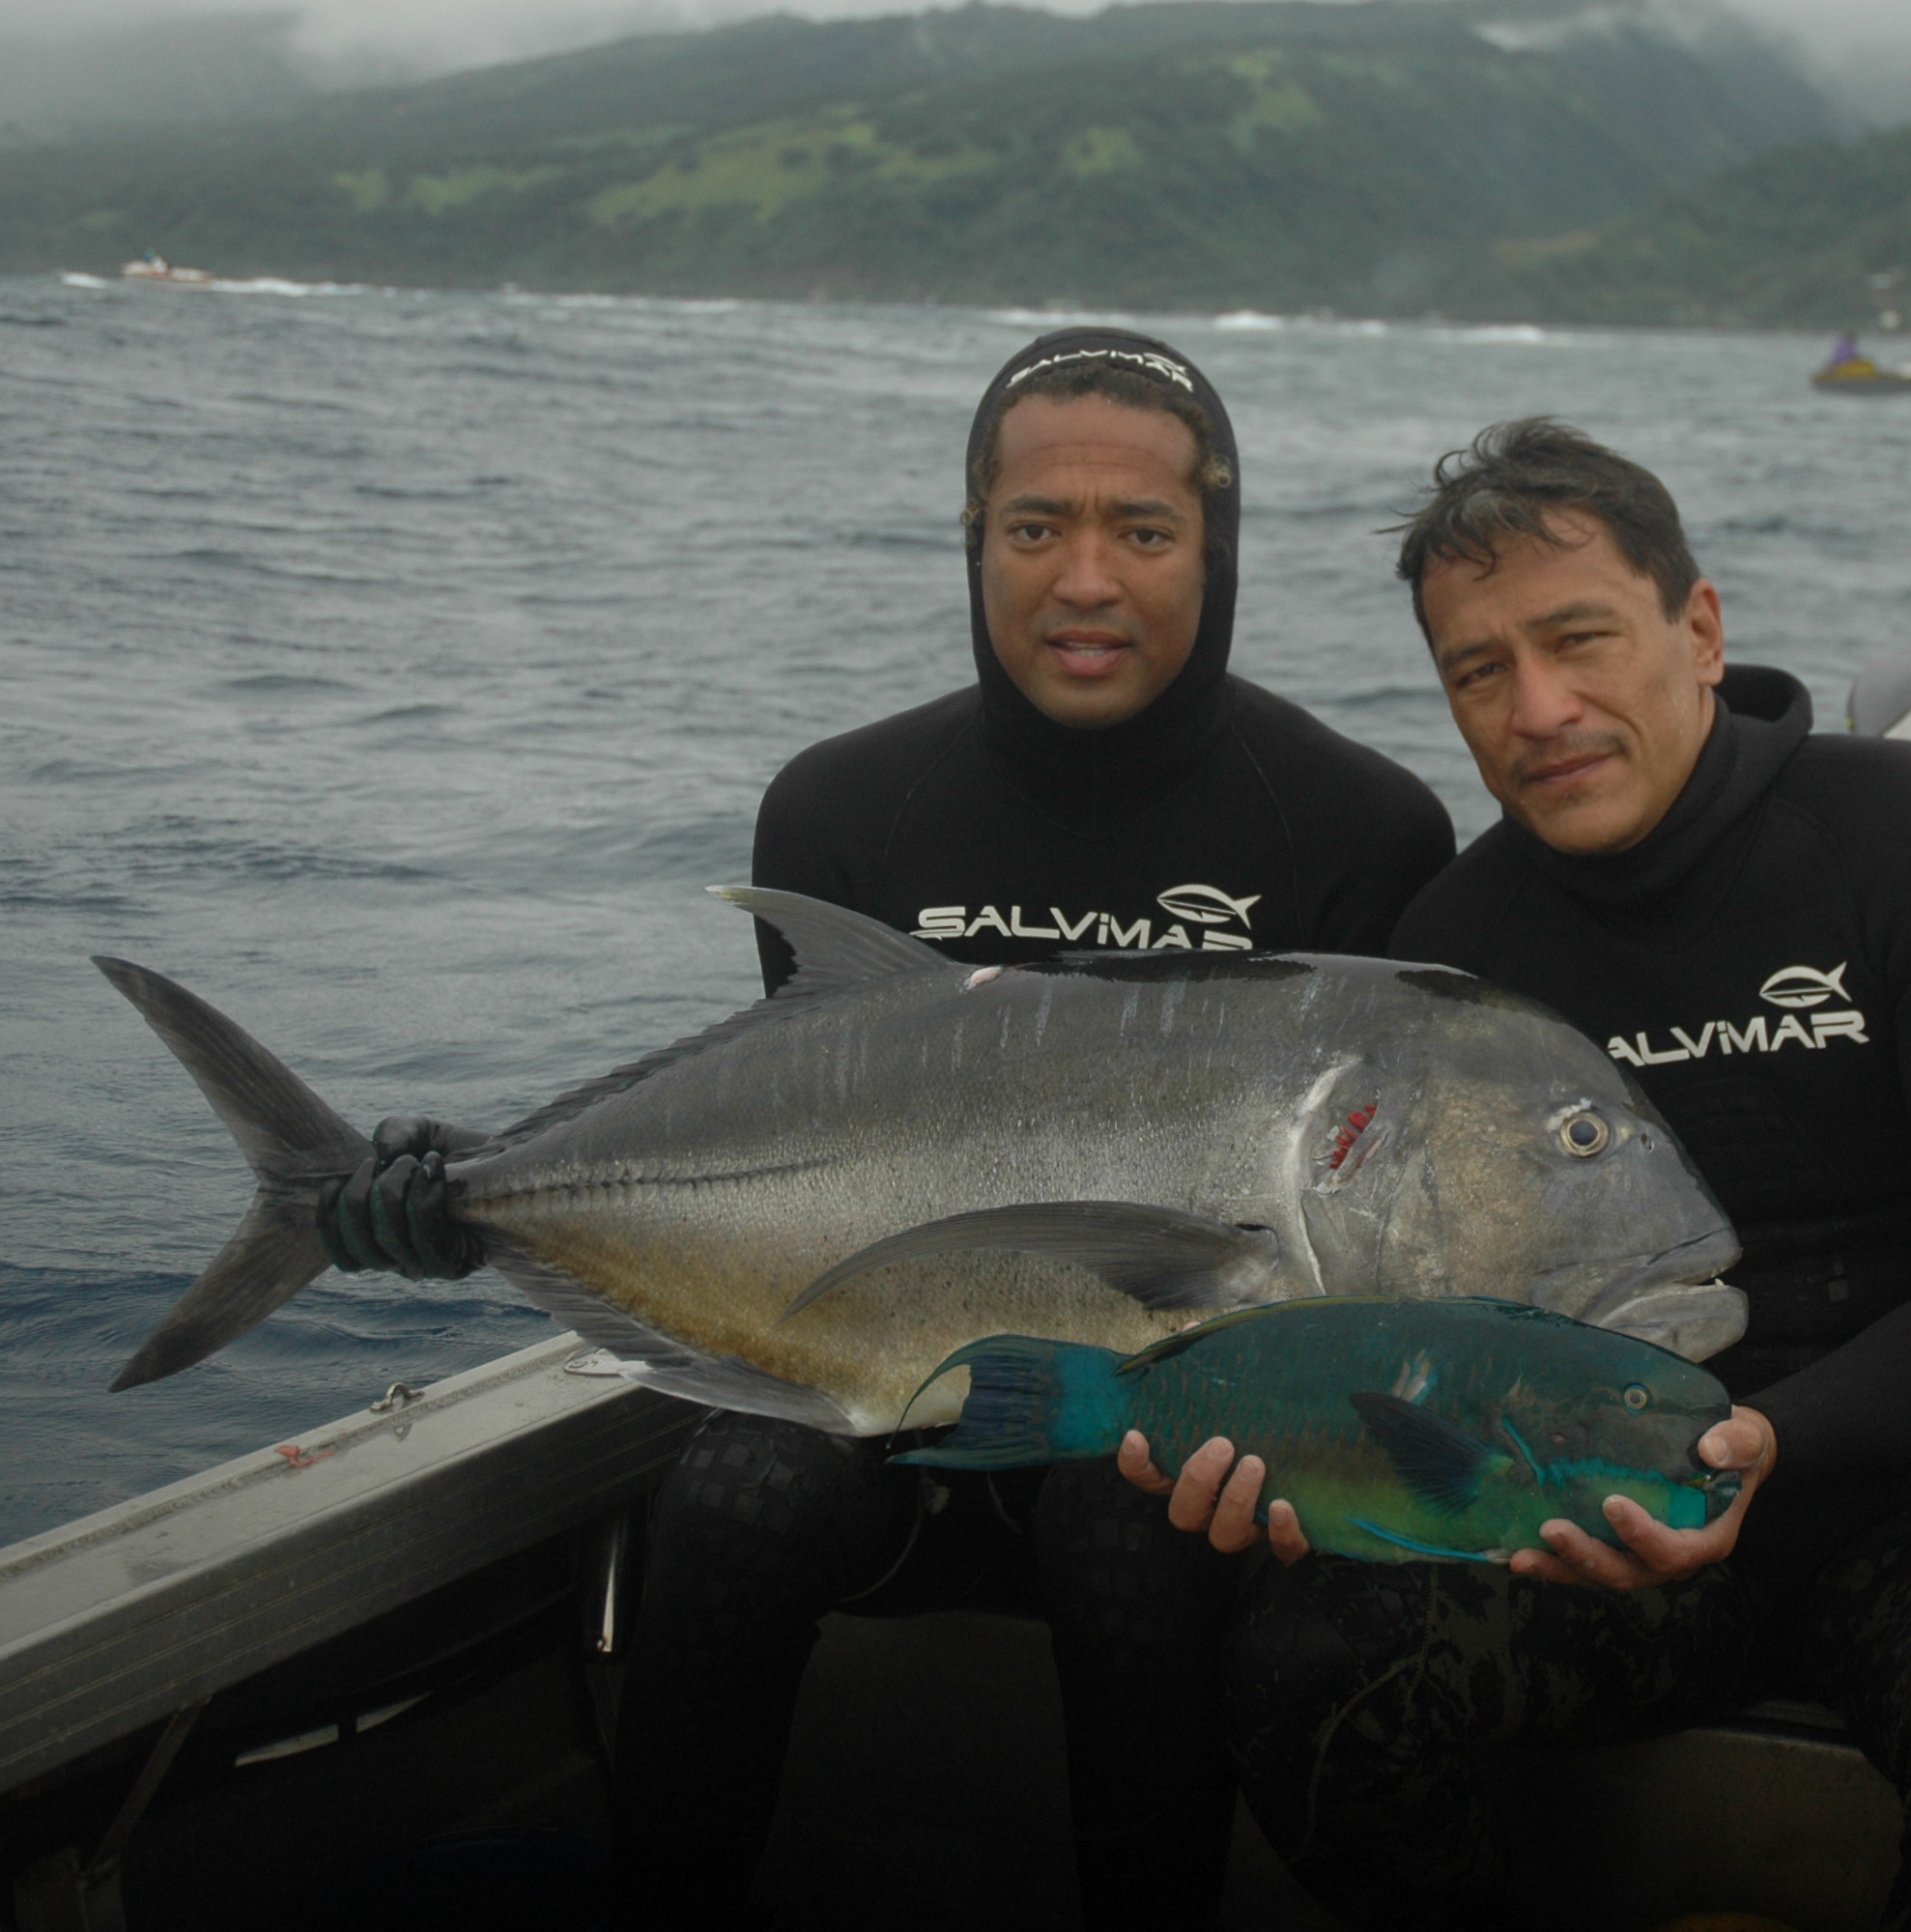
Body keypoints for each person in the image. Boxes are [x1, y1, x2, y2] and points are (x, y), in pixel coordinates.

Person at [317, 327, 1454, 1927]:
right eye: (1034, 526)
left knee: (1121, 1518)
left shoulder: (1358, 828)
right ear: (972, 536)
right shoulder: (841, 810)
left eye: (1143, 531)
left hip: (1186, 1439)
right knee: (730, 1499)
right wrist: (486, 1194)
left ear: (1221, 546)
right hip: (885, 1394)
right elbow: (786, 1170)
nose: (1086, 580)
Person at [1129, 418, 1911, 1930]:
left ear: (1698, 628)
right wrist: (1297, 1461)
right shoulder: (1452, 961)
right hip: (1585, 1500)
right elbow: (1414, 1333)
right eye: (1479, 672)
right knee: (1311, 1669)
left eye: (1579, 639)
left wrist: (1758, 1447)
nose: (1538, 707)